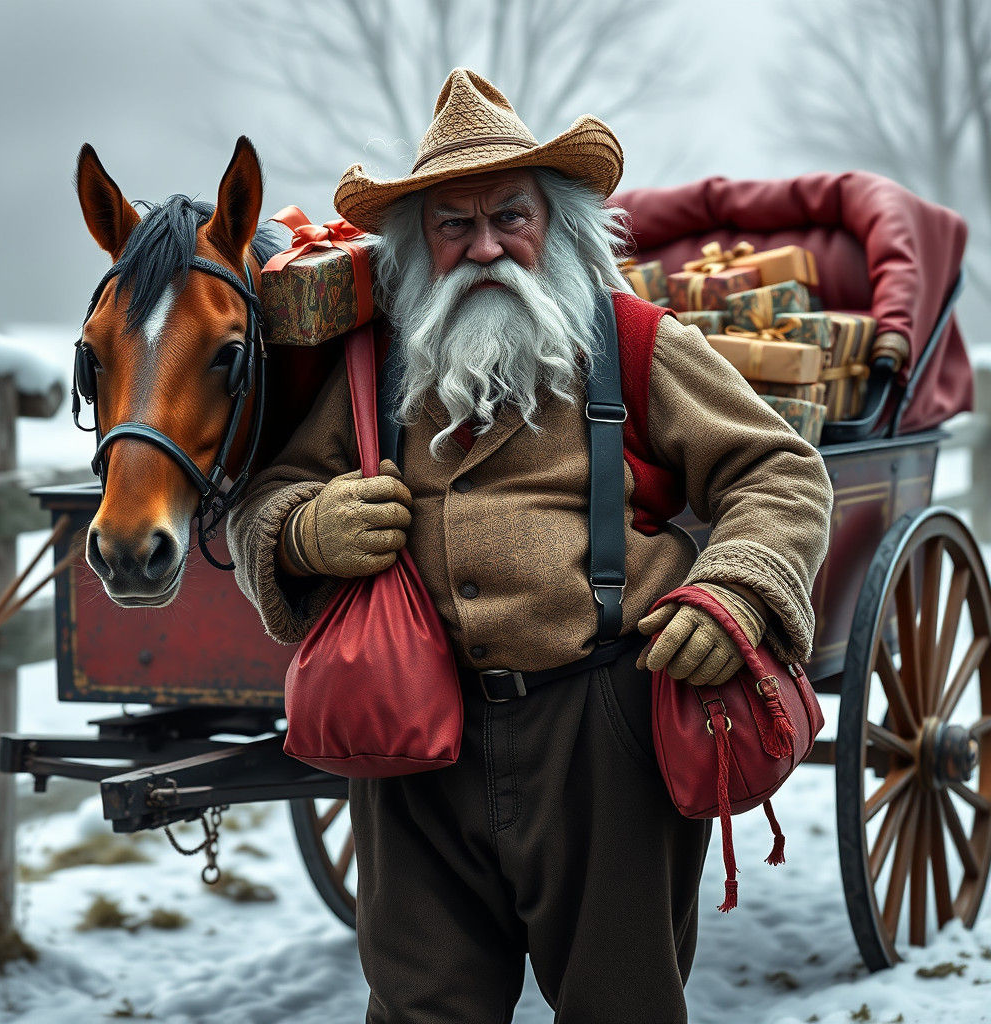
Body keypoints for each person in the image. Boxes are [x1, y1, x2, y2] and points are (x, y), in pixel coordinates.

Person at [227, 67, 833, 1024]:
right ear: (418, 246)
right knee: (419, 1007)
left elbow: (779, 472)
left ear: (556, 223)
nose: (485, 248)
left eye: (510, 216)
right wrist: (305, 530)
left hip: (602, 729)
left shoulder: (634, 340)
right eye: (452, 227)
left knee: (618, 1007)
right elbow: (269, 497)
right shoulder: (374, 362)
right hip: (416, 739)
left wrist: (736, 595)